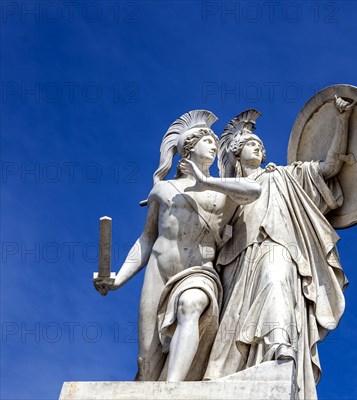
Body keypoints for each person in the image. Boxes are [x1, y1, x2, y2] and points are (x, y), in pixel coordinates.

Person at [201, 97, 356, 399]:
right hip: (237, 262)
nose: (260, 147)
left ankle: (279, 345)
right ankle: (236, 371)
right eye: (252, 144)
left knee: (275, 279)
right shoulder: (227, 191)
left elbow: (330, 166)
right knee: (232, 326)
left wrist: (341, 120)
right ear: (236, 153)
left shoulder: (285, 175)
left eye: (261, 144)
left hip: (278, 246)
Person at [93, 110, 261, 382]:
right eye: (208, 141)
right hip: (159, 271)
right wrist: (118, 279)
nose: (214, 146)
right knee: (147, 361)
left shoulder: (222, 189)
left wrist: (205, 181)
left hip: (199, 270)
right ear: (190, 148)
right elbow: (147, 239)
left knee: (190, 305)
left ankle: (173, 390)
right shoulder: (162, 190)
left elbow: (254, 191)